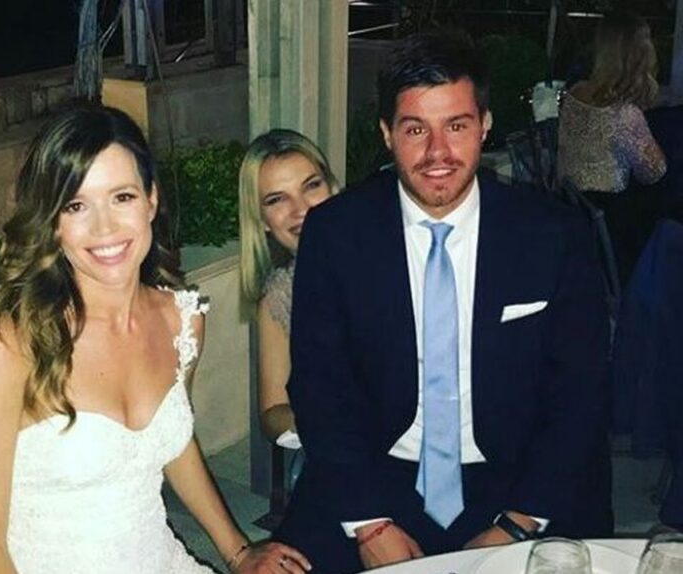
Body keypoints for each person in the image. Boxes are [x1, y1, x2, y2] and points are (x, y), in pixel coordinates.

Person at [278, 32, 612, 573]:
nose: (437, 152)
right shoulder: (335, 233)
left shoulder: (552, 235)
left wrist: (517, 525)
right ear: (387, 133)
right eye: (415, 129)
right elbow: (320, 387)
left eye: (456, 126)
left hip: (518, 479)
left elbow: (581, 392)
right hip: (376, 473)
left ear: (484, 124)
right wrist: (369, 523)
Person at [0, 105, 311, 574]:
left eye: (121, 197)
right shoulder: (12, 345)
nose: (104, 228)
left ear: (151, 200)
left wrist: (238, 551)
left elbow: (172, 442)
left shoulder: (182, 321)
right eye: (76, 205)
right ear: (52, 221)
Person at [238, 129, 339, 445]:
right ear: (262, 219)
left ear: (332, 187)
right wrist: (322, 418)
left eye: (311, 186)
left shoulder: (387, 251)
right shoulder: (279, 297)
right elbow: (272, 414)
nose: (301, 209)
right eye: (276, 199)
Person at [558, 12, 667, 284]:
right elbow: (655, 172)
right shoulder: (624, 115)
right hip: (610, 222)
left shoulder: (575, 92)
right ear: (639, 53)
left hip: (574, 205)